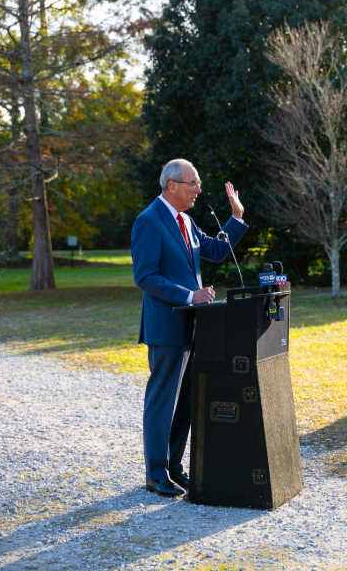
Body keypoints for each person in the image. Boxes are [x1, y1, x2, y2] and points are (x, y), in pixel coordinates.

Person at [131, 159, 248, 497]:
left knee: (185, 402)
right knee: (163, 401)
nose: (199, 189)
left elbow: (216, 250)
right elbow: (145, 276)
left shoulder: (187, 220)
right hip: (166, 327)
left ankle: (174, 468)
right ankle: (155, 474)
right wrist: (189, 295)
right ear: (172, 186)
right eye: (193, 183)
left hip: (194, 325)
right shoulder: (148, 221)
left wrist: (236, 216)